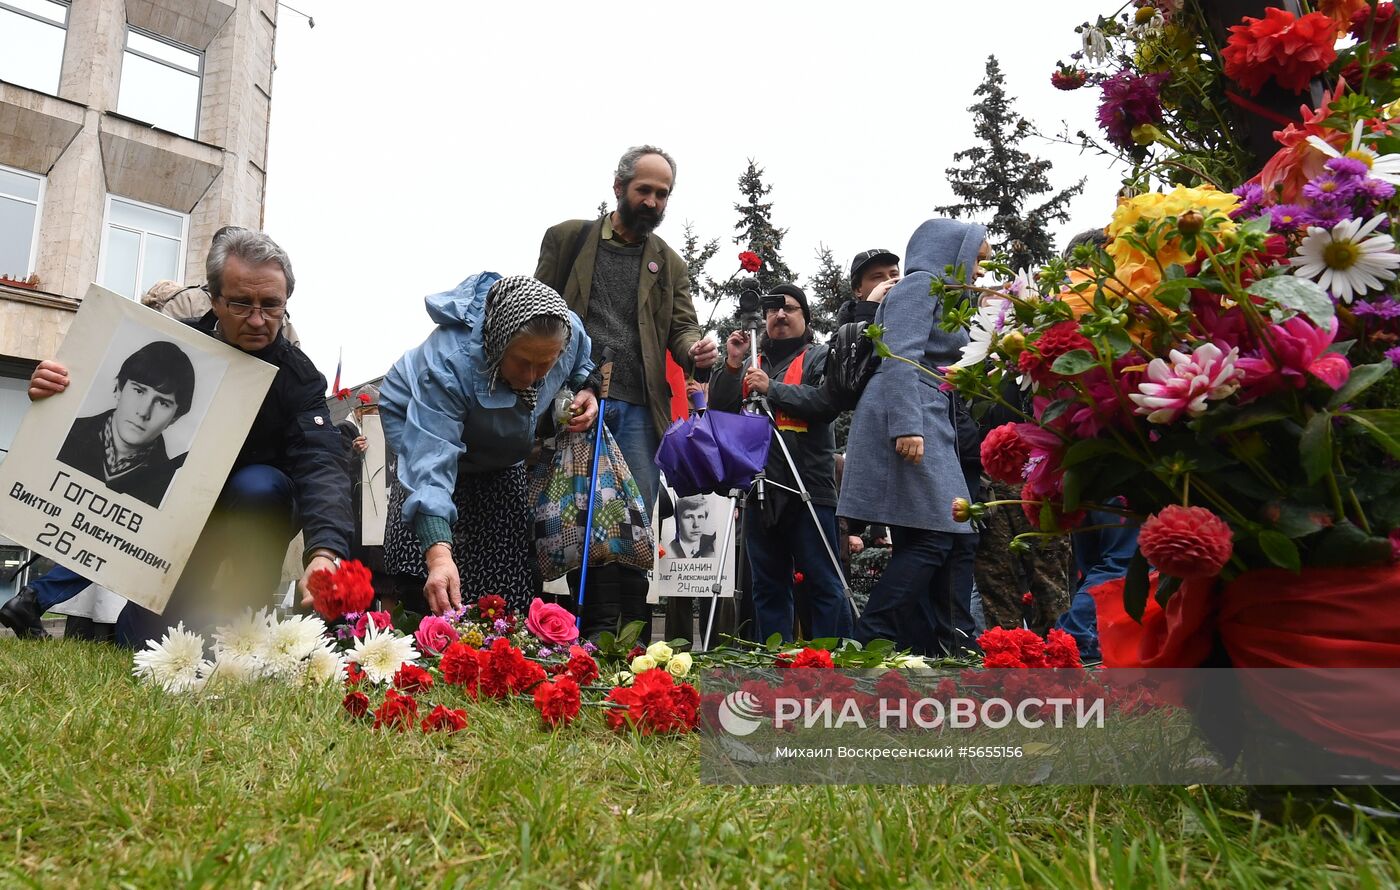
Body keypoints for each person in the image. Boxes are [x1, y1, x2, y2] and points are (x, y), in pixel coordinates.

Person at [3, 230, 353, 644]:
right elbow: (94, 394)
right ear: (215, 298)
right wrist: (55, 390)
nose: (258, 319)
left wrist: (325, 552)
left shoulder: (299, 377)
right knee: (142, 644)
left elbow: (321, 461)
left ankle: (245, 625)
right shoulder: (172, 344)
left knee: (260, 483)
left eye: (271, 305)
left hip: (256, 509)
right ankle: (49, 602)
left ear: (286, 301)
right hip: (175, 517)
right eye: (241, 303)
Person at [534, 145, 718, 640]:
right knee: (582, 516)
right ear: (619, 188)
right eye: (645, 190)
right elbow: (537, 313)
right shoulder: (568, 240)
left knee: (633, 523)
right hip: (577, 398)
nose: (654, 202)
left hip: (640, 407)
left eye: (663, 194)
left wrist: (695, 350)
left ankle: (631, 639)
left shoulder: (670, 264)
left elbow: (681, 329)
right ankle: (584, 633)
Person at [379, 273, 598, 617]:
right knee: (427, 566)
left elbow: (583, 363)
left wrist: (588, 388)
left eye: (546, 364)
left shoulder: (565, 330)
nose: (532, 377)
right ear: (498, 344)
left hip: (501, 450)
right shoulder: (448, 364)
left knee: (505, 569)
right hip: (421, 429)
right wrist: (439, 556)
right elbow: (429, 465)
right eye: (523, 361)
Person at [838, 219, 990, 656]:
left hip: (928, 416)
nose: (979, 272)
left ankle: (940, 649)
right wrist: (907, 425)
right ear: (952, 253)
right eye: (975, 260)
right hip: (908, 416)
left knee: (949, 536)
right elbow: (901, 354)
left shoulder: (939, 294)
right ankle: (869, 638)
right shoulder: (920, 285)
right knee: (934, 537)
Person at [711, 283, 851, 643]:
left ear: (805, 317)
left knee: (823, 582)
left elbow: (826, 401)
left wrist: (771, 389)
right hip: (760, 490)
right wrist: (733, 364)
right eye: (773, 310)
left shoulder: (820, 355)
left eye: (790, 308)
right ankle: (774, 669)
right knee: (768, 588)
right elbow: (719, 412)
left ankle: (836, 666)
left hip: (809, 488)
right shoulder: (752, 362)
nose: (780, 315)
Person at [56, 340, 195, 509]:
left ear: (174, 418)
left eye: (162, 403)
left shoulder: (173, 485)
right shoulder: (62, 430)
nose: (144, 412)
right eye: (139, 390)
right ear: (118, 389)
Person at [834, 248, 901, 326]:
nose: (890, 280)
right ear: (858, 290)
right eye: (878, 277)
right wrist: (869, 308)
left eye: (894, 274)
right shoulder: (843, 335)